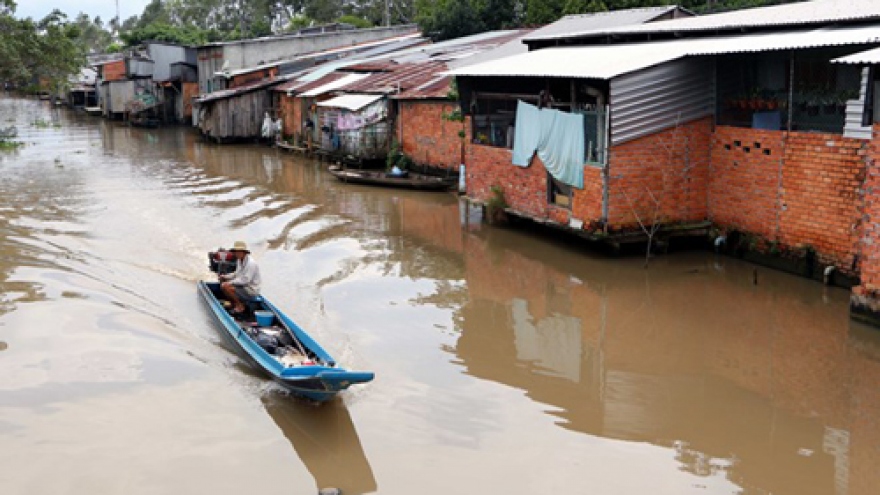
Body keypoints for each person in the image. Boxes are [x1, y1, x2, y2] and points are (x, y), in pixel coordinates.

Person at [219, 241, 262, 314]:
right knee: (224, 283)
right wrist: (225, 276)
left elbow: (245, 280)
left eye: (239, 252)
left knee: (226, 286)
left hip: (250, 289)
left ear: (244, 252)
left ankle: (240, 305)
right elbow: (236, 274)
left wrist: (230, 282)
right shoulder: (239, 260)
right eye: (236, 252)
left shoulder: (251, 264)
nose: (237, 254)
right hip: (243, 286)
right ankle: (235, 303)